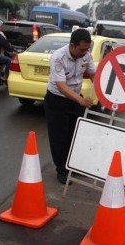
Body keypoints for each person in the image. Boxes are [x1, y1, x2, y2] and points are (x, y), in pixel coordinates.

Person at [44, 28, 96, 184]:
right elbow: (61, 86)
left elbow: (94, 75)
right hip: (57, 99)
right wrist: (80, 101)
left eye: (87, 49)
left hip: (74, 98)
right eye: (82, 49)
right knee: (59, 137)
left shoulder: (86, 55)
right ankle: (62, 170)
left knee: (76, 135)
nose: (85, 52)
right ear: (72, 45)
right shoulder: (58, 57)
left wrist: (105, 92)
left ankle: (73, 166)